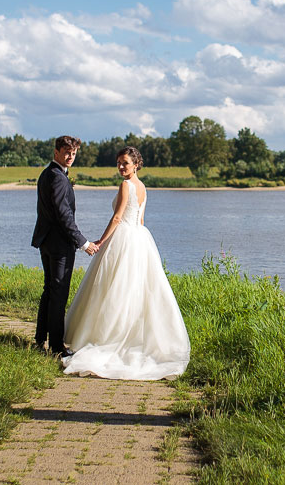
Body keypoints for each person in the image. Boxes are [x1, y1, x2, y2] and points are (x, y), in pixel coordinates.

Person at [62, 146, 191, 380]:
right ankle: (131, 336)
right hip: (140, 239)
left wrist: (101, 240)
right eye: (118, 163)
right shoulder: (143, 188)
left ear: (135, 164)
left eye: (125, 163)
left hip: (123, 237)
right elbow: (140, 219)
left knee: (113, 289)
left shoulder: (126, 186)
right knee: (133, 290)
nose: (121, 167)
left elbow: (118, 217)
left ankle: (107, 338)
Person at [31, 135, 99, 356]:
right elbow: (64, 215)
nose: (70, 157)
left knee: (49, 291)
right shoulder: (58, 177)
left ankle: (40, 339)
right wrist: (83, 243)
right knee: (58, 294)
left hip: (47, 241)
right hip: (59, 245)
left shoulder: (47, 173)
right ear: (56, 152)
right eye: (67, 152)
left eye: (74, 153)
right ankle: (57, 347)